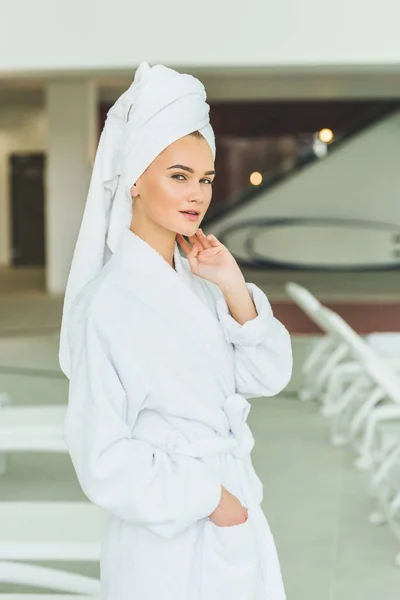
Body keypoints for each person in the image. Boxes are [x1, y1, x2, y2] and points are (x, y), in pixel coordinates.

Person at [59, 61, 293, 600]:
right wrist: (210, 499)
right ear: (137, 179)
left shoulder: (199, 281)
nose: (197, 195)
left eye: (206, 178)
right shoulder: (107, 302)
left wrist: (233, 285)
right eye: (179, 176)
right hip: (166, 538)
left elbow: (268, 376)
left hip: (230, 516)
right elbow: (101, 456)